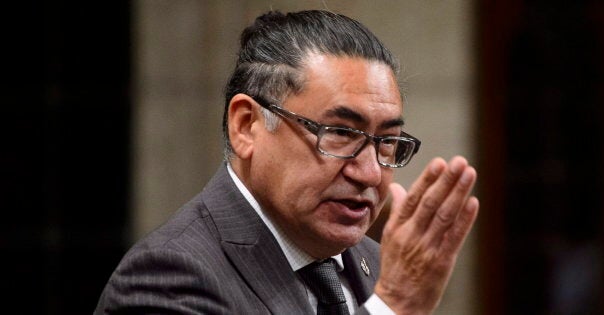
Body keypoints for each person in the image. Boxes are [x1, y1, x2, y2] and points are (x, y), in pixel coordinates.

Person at [95, 9, 479, 315]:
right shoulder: (169, 277)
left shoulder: (377, 265)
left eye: (387, 142)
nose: (370, 172)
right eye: (341, 133)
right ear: (247, 126)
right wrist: (391, 307)